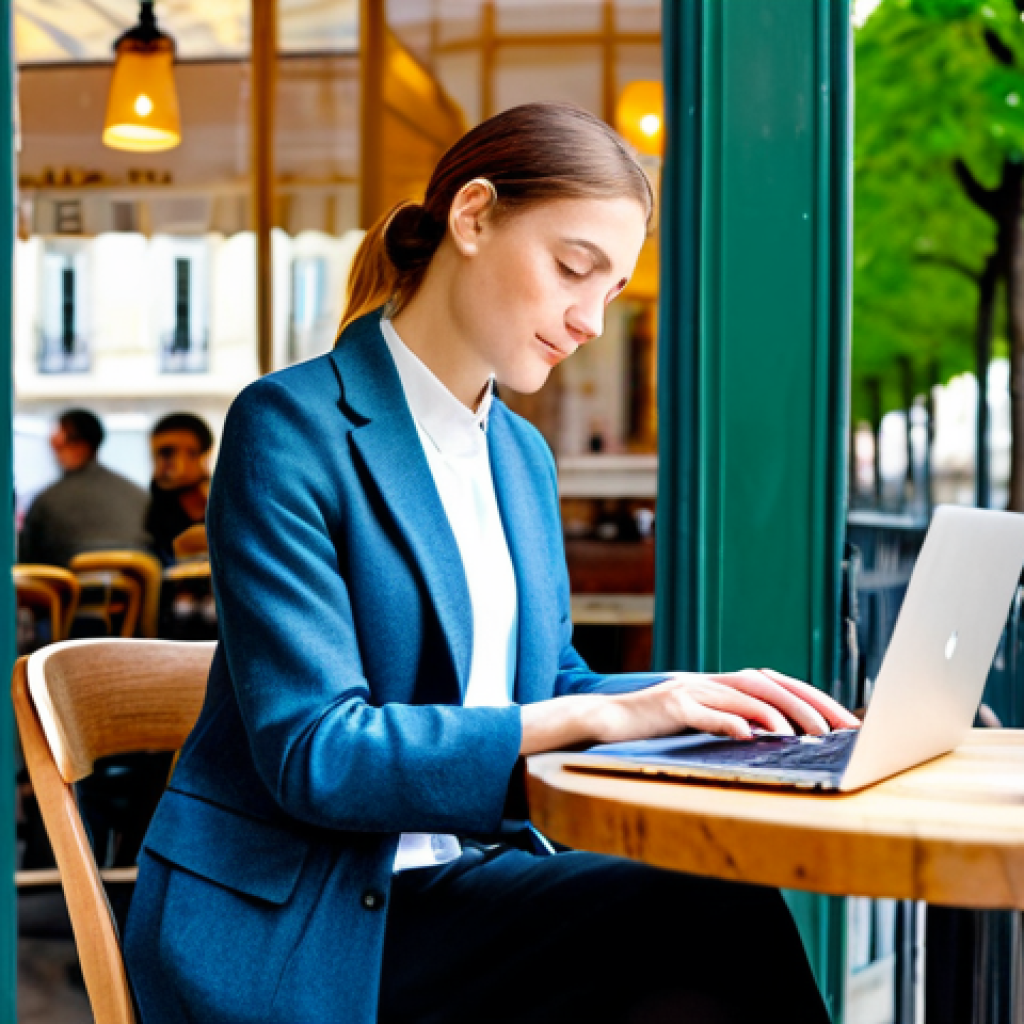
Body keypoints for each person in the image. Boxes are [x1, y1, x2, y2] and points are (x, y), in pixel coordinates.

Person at [125, 103, 858, 1024]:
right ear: (472, 217)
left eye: (614, 289)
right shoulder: (292, 427)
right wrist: (619, 708)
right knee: (702, 915)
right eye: (573, 269)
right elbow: (316, 753)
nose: (590, 320)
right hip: (307, 923)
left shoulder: (517, 455)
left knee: (694, 943)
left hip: (462, 889)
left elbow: (547, 680)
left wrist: (715, 698)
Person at [18, 408, 149, 567]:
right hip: (140, 585)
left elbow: (28, 561)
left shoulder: (46, 501)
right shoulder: (138, 495)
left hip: (68, 588)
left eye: (55, 440)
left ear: (63, 442)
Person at [144, 412, 213, 565]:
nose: (160, 465)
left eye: (167, 453)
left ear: (202, 456)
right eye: (155, 455)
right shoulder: (149, 511)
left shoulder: (230, 505)